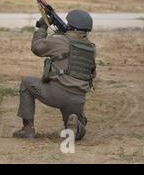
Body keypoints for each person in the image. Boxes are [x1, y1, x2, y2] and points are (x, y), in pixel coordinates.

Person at [13, 9, 96, 141]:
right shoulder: (91, 48)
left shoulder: (60, 41)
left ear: (70, 25)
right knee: (76, 126)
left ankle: (28, 129)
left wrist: (43, 26)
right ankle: (75, 127)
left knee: (26, 82)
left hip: (56, 93)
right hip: (78, 99)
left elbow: (37, 47)